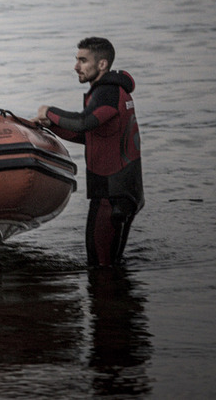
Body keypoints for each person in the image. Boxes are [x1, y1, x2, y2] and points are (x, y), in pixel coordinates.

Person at [33, 37, 143, 268]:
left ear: (102, 64)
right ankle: (120, 301)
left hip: (111, 194)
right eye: (77, 60)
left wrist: (49, 111)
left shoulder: (107, 92)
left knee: (100, 267)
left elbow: (84, 122)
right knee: (111, 264)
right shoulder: (114, 90)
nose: (76, 67)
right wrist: (51, 126)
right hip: (124, 192)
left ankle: (105, 302)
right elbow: (91, 135)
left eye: (83, 60)